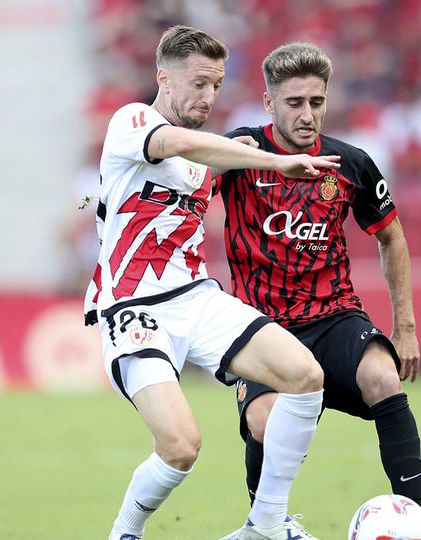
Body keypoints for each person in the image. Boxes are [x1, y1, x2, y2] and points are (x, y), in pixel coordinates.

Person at [84, 26, 342, 540]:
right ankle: (124, 534)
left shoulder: (211, 156)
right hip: (134, 308)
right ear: (164, 77)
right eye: (198, 83)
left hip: (197, 297)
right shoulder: (132, 121)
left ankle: (266, 523)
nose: (208, 96)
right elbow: (176, 143)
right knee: (180, 447)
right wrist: (272, 159)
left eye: (217, 85)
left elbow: (221, 163)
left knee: (305, 375)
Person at [214, 43, 421, 539]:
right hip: (261, 326)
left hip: (333, 318)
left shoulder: (350, 163)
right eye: (294, 103)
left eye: (316, 102)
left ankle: (414, 521)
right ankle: (268, 526)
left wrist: (406, 325)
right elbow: (185, 178)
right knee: (265, 424)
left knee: (384, 380)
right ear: (269, 103)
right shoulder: (240, 152)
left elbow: (391, 235)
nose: (307, 115)